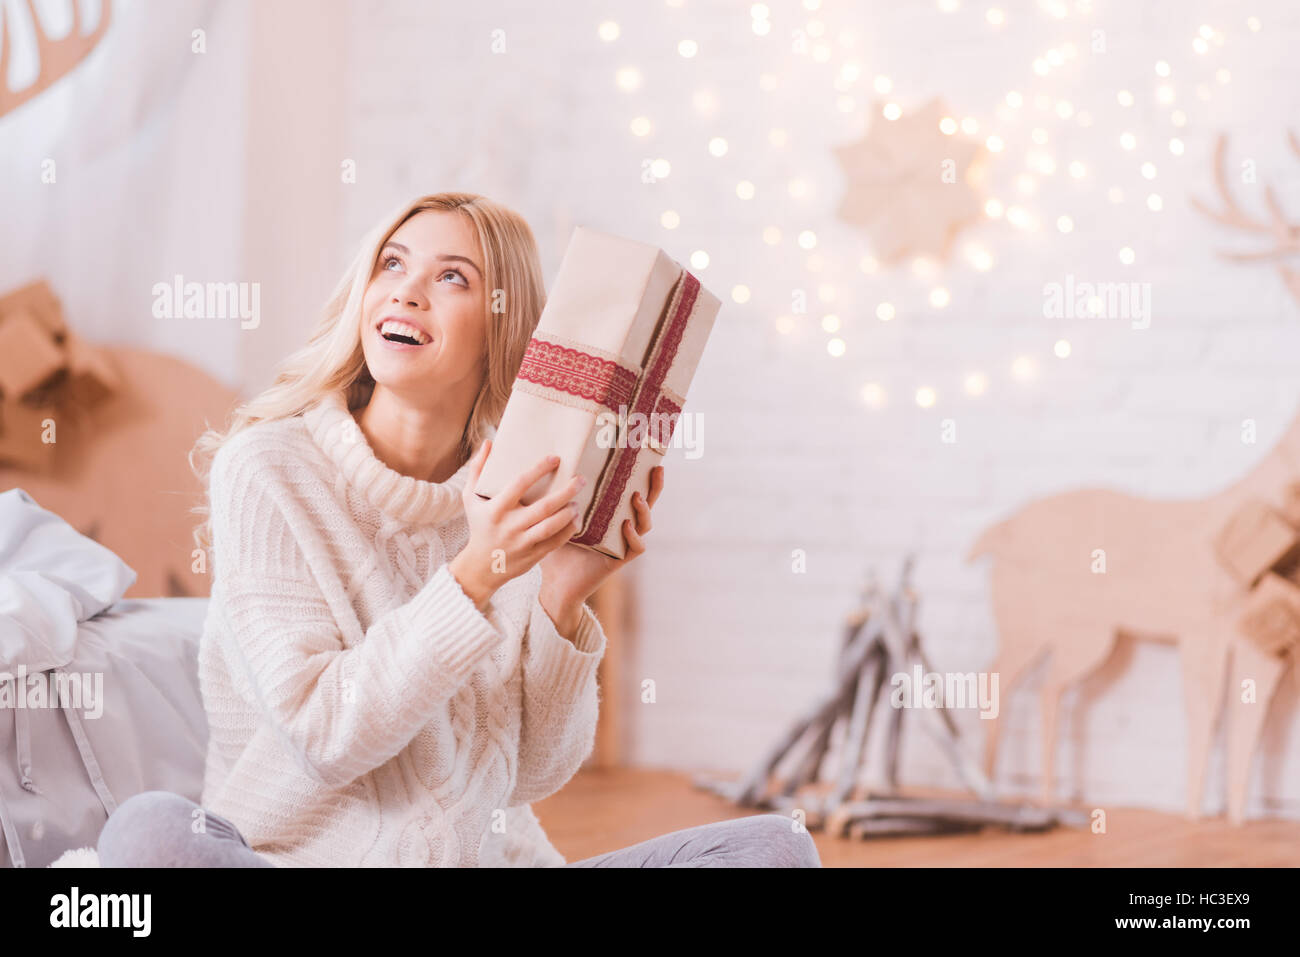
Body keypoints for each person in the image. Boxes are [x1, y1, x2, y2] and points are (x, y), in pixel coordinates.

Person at [97, 192, 820, 868]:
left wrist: (561, 595)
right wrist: (478, 572)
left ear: (501, 329)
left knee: (774, 850)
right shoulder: (268, 470)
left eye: (452, 278)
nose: (407, 290)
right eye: (392, 263)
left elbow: (529, 773)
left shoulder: (513, 491)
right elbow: (322, 732)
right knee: (149, 833)